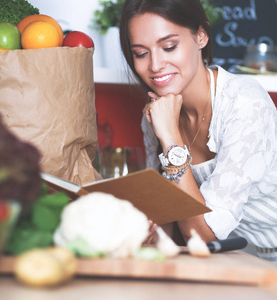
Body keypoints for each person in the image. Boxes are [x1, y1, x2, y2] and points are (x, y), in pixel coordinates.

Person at [119, 0, 277, 264]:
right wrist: (149, 230)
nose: (156, 65)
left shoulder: (245, 103)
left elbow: (202, 239)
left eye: (169, 46)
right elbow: (170, 227)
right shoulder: (157, 116)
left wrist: (170, 137)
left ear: (201, 35)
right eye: (141, 53)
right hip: (231, 257)